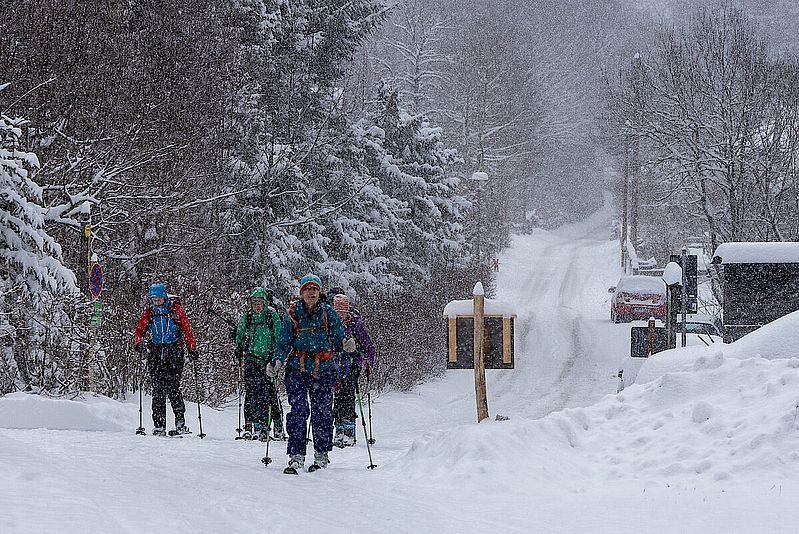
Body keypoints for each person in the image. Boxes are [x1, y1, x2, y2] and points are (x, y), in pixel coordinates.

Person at [272, 274, 345, 474]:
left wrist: (347, 345)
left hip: (323, 369)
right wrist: (277, 360)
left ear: (319, 292)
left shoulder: (328, 313)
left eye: (314, 289)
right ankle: (296, 456)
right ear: (301, 292)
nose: (311, 292)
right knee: (298, 411)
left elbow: (340, 338)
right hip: (298, 368)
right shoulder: (293, 315)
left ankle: (321, 455)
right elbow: (283, 341)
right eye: (307, 289)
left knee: (322, 412)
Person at [133, 283, 198, 436]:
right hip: (155, 353)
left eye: (159, 298)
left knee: (173, 388)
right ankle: (159, 425)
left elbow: (187, 330)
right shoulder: (149, 313)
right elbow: (140, 330)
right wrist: (138, 343)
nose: (156, 301)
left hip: (174, 352)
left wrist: (192, 348)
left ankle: (180, 423)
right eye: (154, 299)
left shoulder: (175, 311)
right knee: (158, 390)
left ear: (164, 297)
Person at [234, 287, 284, 441]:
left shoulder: (271, 316)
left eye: (260, 302)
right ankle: (251, 425)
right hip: (251, 359)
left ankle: (272, 424)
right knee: (251, 392)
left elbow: (279, 335)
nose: (257, 306)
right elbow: (240, 332)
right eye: (254, 302)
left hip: (267, 360)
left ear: (265, 303)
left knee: (268, 393)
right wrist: (239, 346)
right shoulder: (248, 317)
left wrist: (275, 356)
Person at [331, 293, 376, 447]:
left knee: (348, 394)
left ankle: (349, 429)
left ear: (347, 310)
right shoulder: (330, 324)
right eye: (336, 311)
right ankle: (339, 428)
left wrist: (368, 361)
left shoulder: (356, 325)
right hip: (335, 366)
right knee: (337, 395)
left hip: (352, 364)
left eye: (342, 311)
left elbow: (368, 346)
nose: (339, 314)